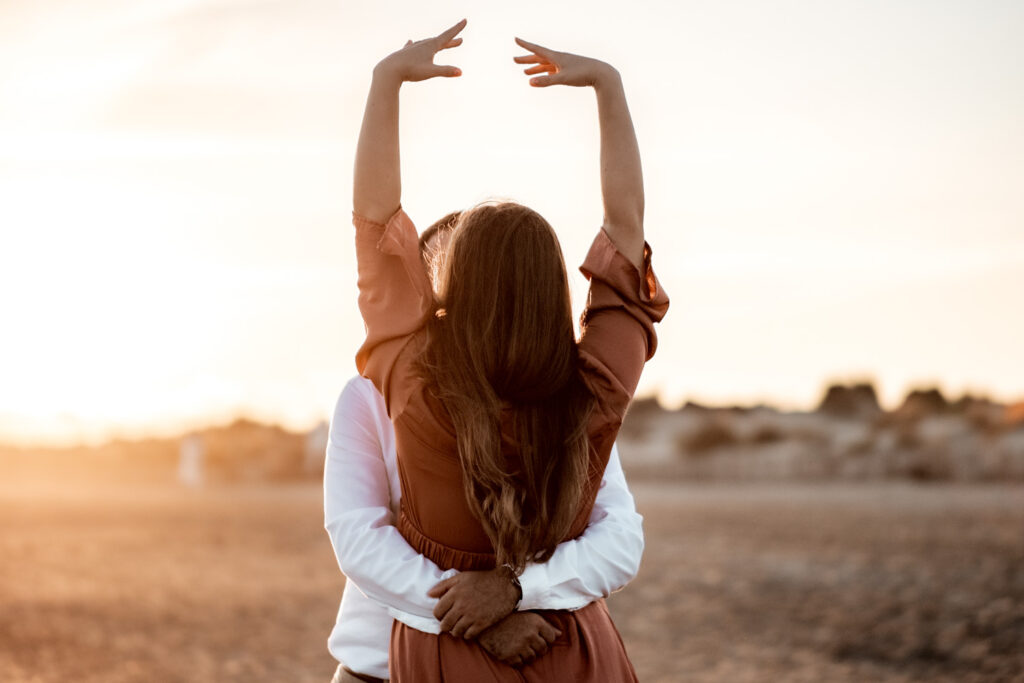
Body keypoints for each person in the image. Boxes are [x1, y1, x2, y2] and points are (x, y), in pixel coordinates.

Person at [350, 19, 669, 682]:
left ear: (453, 292)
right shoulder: (596, 391)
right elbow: (627, 230)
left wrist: (387, 83)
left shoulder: (413, 383)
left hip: (449, 652)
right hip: (575, 648)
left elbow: (375, 224)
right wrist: (608, 89)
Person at [324, 212, 646, 683]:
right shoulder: (370, 396)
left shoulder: (563, 404)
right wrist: (480, 617)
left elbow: (618, 541)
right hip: (381, 669)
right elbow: (359, 537)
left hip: (545, 662)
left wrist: (515, 589)